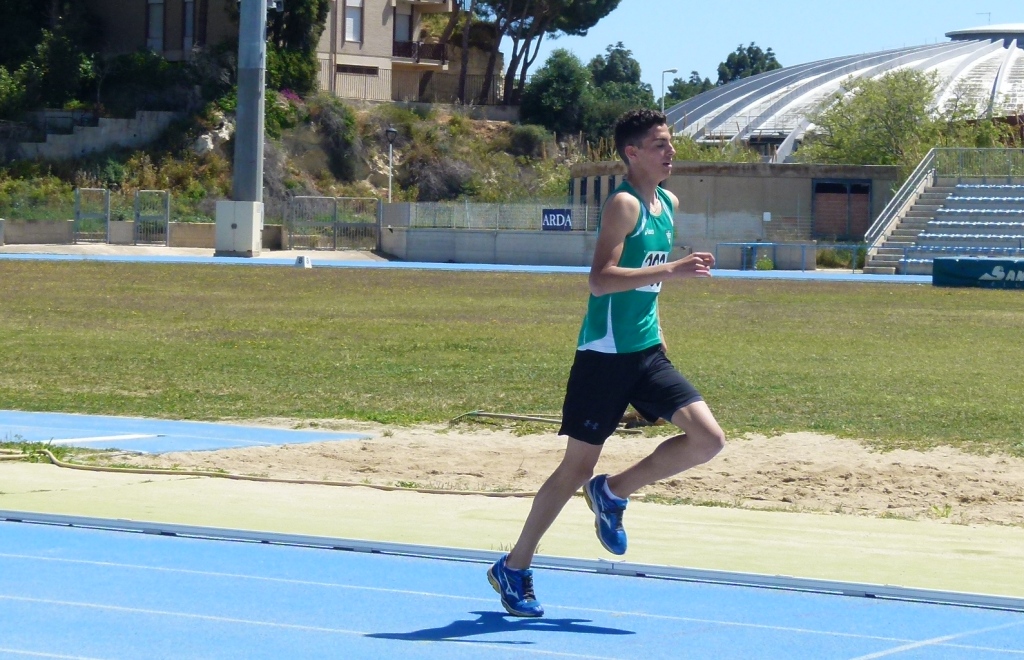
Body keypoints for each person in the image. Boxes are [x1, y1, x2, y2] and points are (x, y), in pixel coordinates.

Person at [487, 109, 726, 617]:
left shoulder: (667, 202)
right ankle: (514, 566)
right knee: (576, 466)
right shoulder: (623, 204)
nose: (671, 151)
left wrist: (661, 317)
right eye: (660, 144)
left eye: (671, 143)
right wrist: (674, 269)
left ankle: (613, 493)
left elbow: (646, 285)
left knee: (708, 439)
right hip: (604, 357)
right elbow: (600, 280)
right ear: (632, 153)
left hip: (647, 352)